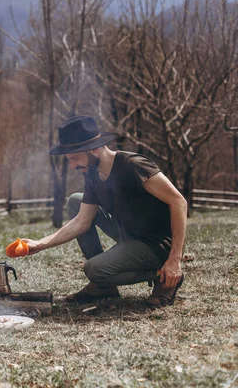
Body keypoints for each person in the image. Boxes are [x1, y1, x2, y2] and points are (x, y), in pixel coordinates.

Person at [10, 115, 187, 307]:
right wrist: (40, 244)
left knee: (93, 269)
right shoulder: (92, 174)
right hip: (128, 233)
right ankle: (104, 288)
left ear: (94, 149)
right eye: (69, 159)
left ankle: (165, 277)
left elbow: (178, 201)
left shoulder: (133, 165)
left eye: (75, 158)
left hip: (155, 243)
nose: (73, 165)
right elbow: (82, 221)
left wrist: (174, 259)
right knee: (76, 201)